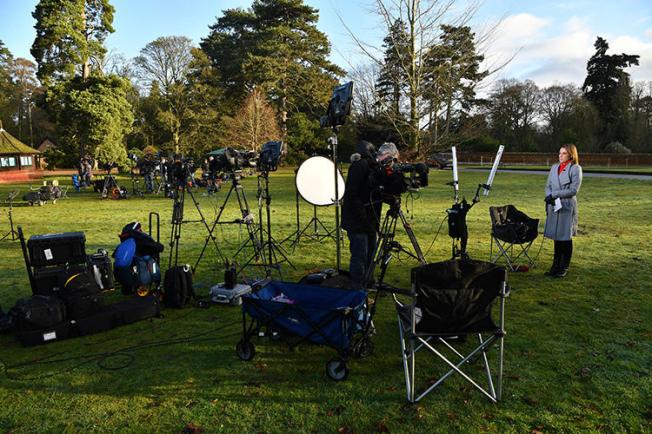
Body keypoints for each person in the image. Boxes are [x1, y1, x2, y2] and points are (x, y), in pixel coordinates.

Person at [543, 144, 583, 278]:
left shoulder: (575, 168)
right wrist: (549, 196)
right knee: (556, 236)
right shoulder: (554, 167)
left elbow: (573, 190)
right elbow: (548, 185)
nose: (560, 155)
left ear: (571, 155)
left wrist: (554, 195)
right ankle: (555, 266)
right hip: (554, 205)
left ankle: (564, 267)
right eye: (560, 153)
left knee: (565, 237)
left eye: (564, 153)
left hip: (566, 206)